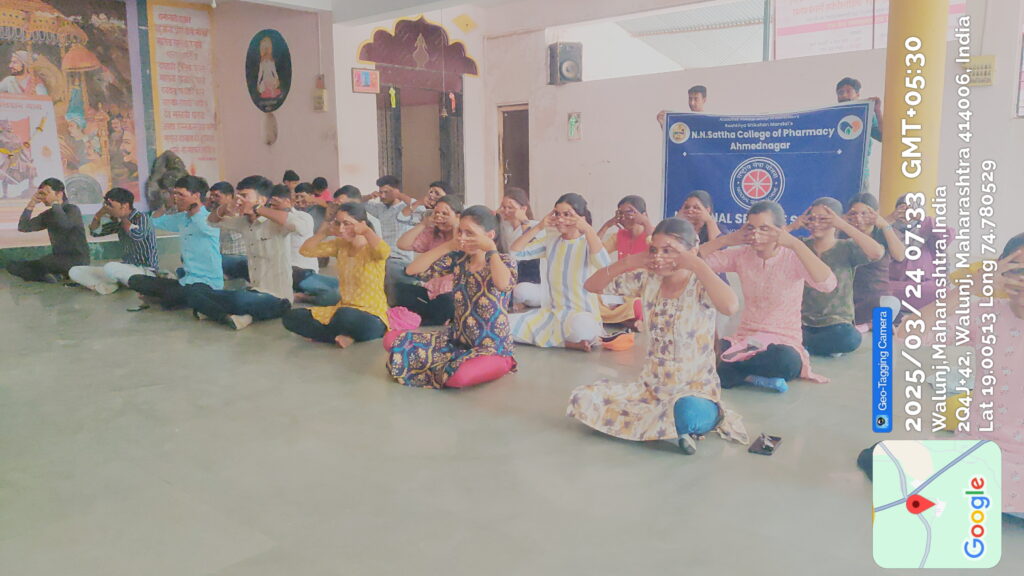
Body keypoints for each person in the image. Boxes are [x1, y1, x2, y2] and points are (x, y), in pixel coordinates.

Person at [570, 218, 748, 454]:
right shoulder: (647, 279)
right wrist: (630, 261)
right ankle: (668, 429)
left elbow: (730, 306)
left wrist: (696, 264)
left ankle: (688, 422)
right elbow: (592, 285)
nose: (659, 257)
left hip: (693, 392)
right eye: (654, 250)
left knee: (687, 412)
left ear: (691, 250)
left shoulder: (700, 284)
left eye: (669, 251)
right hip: (650, 389)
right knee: (583, 397)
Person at [700, 200, 837, 392]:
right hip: (745, 339)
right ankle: (750, 377)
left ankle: (732, 373)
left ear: (780, 230)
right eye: (751, 228)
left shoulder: (792, 257)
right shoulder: (742, 255)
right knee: (705, 353)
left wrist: (795, 244)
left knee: (785, 361)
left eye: (764, 228)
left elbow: (828, 284)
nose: (756, 235)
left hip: (782, 341)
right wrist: (725, 240)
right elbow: (693, 261)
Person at [386, 206, 518, 389]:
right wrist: (449, 245)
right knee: (391, 340)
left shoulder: (503, 261)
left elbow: (503, 284)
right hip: (457, 341)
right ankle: (447, 364)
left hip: (492, 349)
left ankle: (495, 365)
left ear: (490, 235)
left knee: (459, 377)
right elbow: (412, 270)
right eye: (460, 232)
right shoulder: (458, 259)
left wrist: (491, 249)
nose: (462, 237)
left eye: (470, 233)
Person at [187, 176, 294, 329]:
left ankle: (221, 312)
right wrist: (225, 207)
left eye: (244, 196)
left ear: (262, 200)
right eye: (238, 197)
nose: (239, 201)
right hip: (253, 291)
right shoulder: (243, 223)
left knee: (238, 299)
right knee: (193, 291)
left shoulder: (276, 223)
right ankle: (231, 316)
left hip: (278, 298)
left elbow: (302, 225)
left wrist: (258, 209)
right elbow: (211, 221)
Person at [509, 193, 611, 351]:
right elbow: (514, 253)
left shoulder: (587, 242)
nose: (560, 219)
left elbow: (605, 267)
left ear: (581, 218)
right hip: (553, 315)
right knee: (503, 325)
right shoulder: (551, 241)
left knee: (583, 327)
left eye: (567, 214)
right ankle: (567, 343)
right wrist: (539, 227)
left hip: (581, 316)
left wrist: (588, 229)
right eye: (557, 214)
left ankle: (562, 340)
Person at [281, 202, 389, 347]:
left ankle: (337, 334)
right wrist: (324, 233)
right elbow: (306, 250)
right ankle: (342, 336)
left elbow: (384, 252)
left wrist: (367, 232)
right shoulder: (340, 245)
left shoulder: (372, 248)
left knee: (346, 316)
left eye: (347, 224)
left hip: (371, 315)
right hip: (341, 310)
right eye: (338, 223)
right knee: (291, 317)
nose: (341, 229)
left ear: (362, 224)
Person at [790, 197, 884, 357]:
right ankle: (811, 346)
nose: (816, 223)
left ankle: (804, 346)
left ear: (836, 221)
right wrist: (792, 226)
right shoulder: (799, 245)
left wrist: (843, 225)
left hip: (836, 323)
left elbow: (877, 252)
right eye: (812, 218)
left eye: (823, 219)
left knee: (850, 338)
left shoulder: (846, 247)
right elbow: (769, 247)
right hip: (801, 322)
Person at [127, 176, 221, 309]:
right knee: (135, 280)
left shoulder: (210, 218)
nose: (176, 198)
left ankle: (169, 299)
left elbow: (203, 225)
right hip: (186, 281)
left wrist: (194, 209)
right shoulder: (182, 218)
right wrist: (165, 206)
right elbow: (153, 221)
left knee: (186, 294)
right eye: (174, 194)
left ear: (196, 196)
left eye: (181, 194)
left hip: (207, 283)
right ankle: (172, 299)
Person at [69, 187, 158, 294]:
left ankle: (112, 283)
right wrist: (99, 214)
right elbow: (95, 232)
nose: (108, 209)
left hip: (145, 271)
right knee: (75, 270)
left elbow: (137, 235)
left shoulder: (142, 217)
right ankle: (109, 285)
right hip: (126, 267)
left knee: (110, 267)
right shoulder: (120, 222)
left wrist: (123, 217)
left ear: (124, 205)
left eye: (111, 206)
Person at [394, 195, 463, 325]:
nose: (439, 216)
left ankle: (429, 318)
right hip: (432, 291)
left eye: (445, 214)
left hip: (452, 294)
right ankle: (432, 318)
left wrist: (456, 227)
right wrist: (423, 224)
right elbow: (402, 244)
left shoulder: (464, 237)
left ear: (458, 216)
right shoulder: (433, 233)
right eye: (436, 213)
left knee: (447, 302)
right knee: (398, 289)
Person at [9, 178, 89, 283]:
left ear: (59, 194)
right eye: (42, 193)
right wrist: (31, 204)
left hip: (77, 260)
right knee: (13, 266)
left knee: (44, 262)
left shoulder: (72, 209)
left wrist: (54, 202)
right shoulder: (49, 214)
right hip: (58, 260)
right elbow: (23, 227)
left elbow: (64, 224)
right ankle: (56, 275)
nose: (44, 197)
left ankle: (50, 275)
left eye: (47, 193)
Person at [844, 193, 906, 328]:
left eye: (864, 213)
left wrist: (884, 224)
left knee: (891, 304)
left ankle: (870, 326)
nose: (858, 218)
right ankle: (870, 326)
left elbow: (900, 256)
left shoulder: (883, 233)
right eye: (854, 213)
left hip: (877, 297)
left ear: (875, 213)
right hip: (849, 300)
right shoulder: (844, 234)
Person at [363, 175, 422, 304]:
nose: (382, 196)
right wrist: (369, 196)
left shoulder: (406, 209)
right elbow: (357, 203)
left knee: (388, 271)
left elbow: (421, 209)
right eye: (381, 192)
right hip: (384, 256)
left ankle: (414, 285)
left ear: (396, 191)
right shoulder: (380, 208)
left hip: (400, 259)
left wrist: (400, 195)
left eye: (386, 192)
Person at [595, 195, 653, 327]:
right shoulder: (619, 235)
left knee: (638, 304)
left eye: (629, 213)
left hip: (641, 292)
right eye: (620, 213)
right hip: (620, 291)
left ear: (643, 215)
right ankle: (628, 321)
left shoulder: (652, 234)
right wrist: (606, 226)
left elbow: (656, 246)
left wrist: (646, 223)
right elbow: (596, 253)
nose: (624, 217)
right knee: (592, 299)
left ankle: (624, 318)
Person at [888, 193, 948, 314]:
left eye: (911, 208)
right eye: (903, 208)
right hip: (895, 286)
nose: (907, 213)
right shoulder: (887, 231)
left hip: (924, 287)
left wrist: (923, 218)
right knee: (878, 291)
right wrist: (889, 220)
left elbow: (948, 235)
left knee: (944, 293)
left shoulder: (927, 229)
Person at [836, 77, 883, 192]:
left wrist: (877, 111)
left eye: (848, 91)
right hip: (836, 174)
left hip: (859, 174)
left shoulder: (866, 114)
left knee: (859, 202)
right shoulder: (832, 115)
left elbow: (882, 136)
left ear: (857, 94)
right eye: (840, 92)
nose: (844, 95)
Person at [496, 187, 540, 297]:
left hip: (528, 275)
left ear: (523, 209)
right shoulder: (503, 226)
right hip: (507, 270)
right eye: (503, 207)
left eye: (510, 208)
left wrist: (523, 221)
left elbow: (532, 249)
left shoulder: (535, 226)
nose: (506, 211)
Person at [207, 181, 248, 280]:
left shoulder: (240, 213)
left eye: (217, 196)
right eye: (211, 196)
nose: (213, 199)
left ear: (229, 196)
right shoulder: (213, 215)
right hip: (223, 258)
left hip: (239, 258)